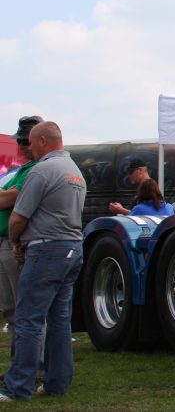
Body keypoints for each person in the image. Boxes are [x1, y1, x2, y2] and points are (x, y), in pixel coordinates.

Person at [0, 121, 85, 401]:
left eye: (31, 142)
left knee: (28, 319)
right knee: (60, 321)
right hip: (72, 248)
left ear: (43, 141)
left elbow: (18, 216)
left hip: (46, 250)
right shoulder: (75, 173)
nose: (28, 148)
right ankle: (56, 383)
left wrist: (15, 240)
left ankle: (18, 387)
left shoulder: (42, 170)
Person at [0, 116, 42, 350]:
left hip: (17, 243)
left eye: (27, 141)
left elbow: (8, 199)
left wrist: (6, 195)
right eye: (21, 141)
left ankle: (28, 366)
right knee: (11, 309)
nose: (23, 146)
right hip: (7, 242)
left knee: (22, 308)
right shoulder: (22, 170)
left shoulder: (37, 169)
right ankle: (19, 365)